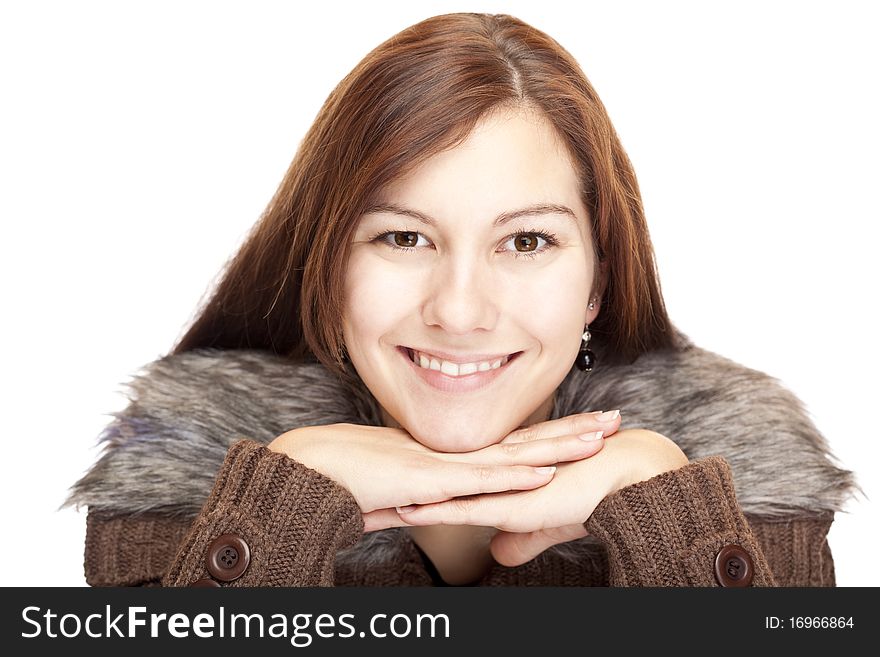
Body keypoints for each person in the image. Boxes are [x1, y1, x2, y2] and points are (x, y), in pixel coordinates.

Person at [66, 12, 856, 587]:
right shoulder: (184, 466)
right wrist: (284, 502)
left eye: (527, 241)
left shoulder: (749, 481)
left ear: (598, 286)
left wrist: (665, 510)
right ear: (329, 268)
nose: (460, 309)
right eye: (404, 238)